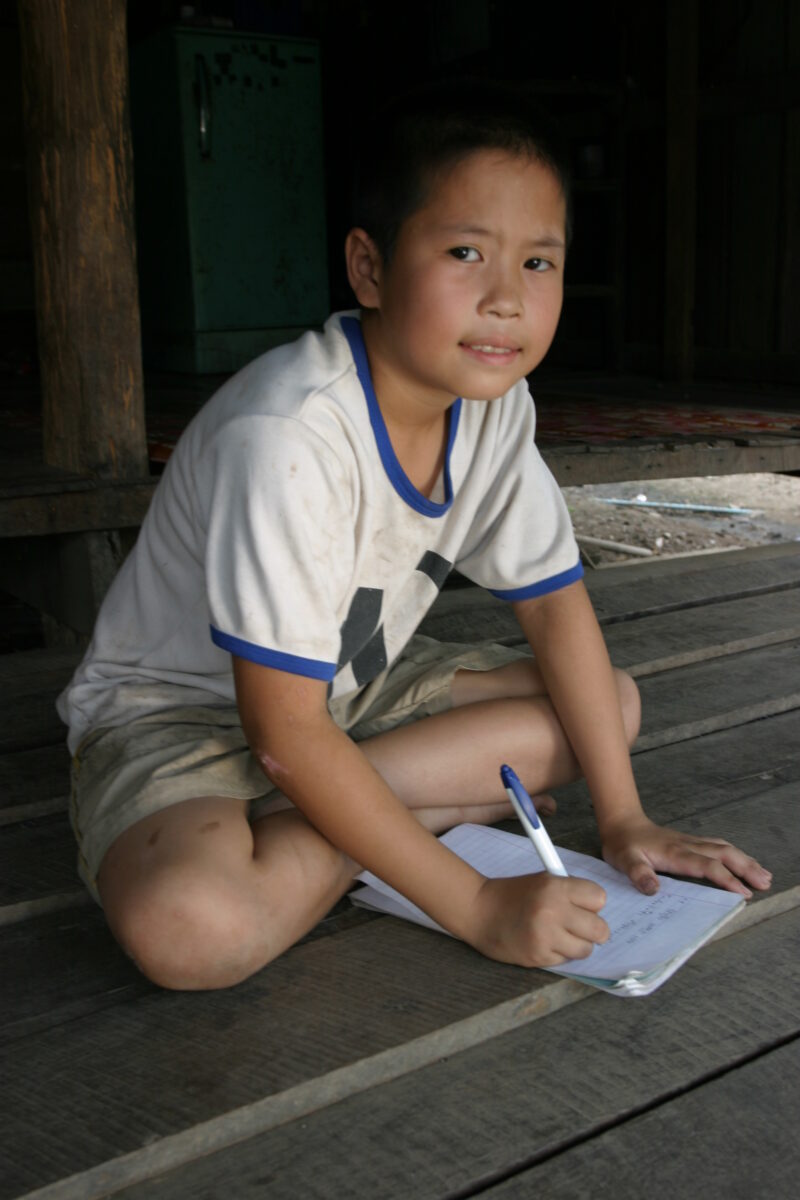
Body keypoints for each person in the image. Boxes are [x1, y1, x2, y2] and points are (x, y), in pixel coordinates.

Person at [57, 80, 771, 991]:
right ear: (369, 268)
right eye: (466, 251)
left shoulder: (497, 408)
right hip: (182, 719)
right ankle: (391, 810)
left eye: (539, 263)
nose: (507, 299)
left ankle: (335, 810)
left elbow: (556, 612)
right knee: (192, 930)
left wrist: (625, 817)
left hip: (351, 695)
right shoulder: (289, 433)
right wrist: (475, 903)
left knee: (610, 708)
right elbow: (280, 728)